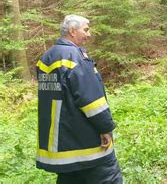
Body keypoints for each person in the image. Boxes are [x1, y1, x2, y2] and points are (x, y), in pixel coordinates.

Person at [36, 15, 123, 183]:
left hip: (62, 148)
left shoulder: (46, 58)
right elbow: (91, 101)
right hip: (87, 145)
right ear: (72, 31)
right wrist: (106, 128)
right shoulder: (74, 57)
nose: (89, 35)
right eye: (86, 29)